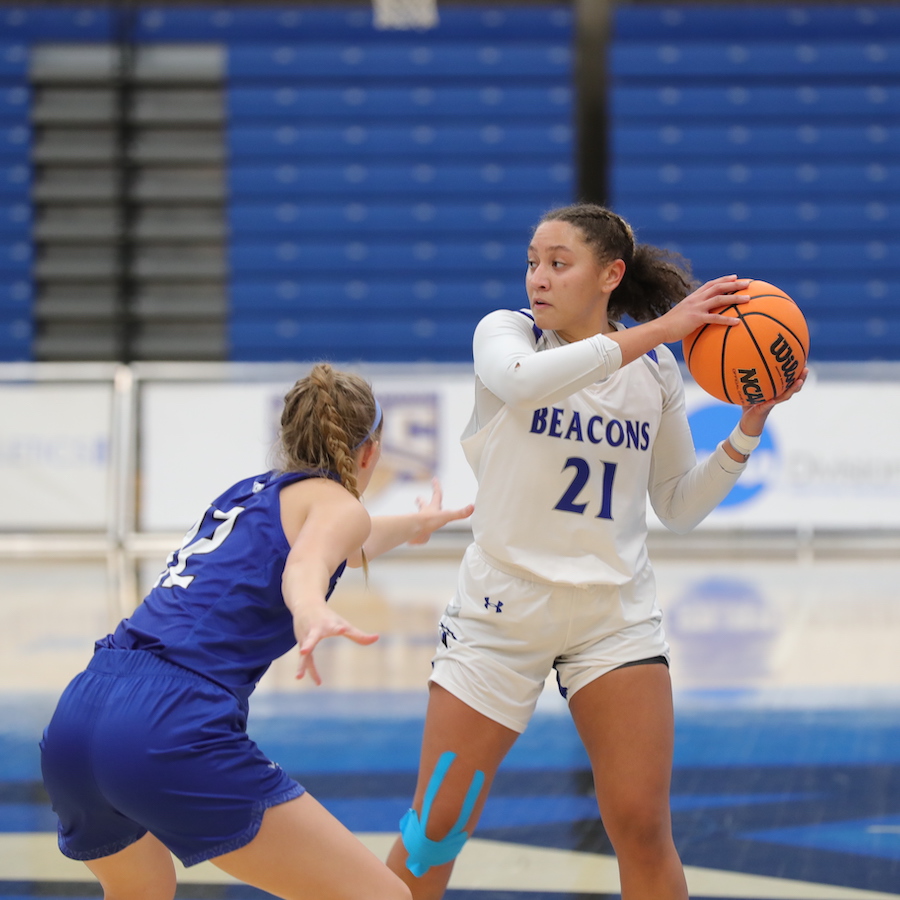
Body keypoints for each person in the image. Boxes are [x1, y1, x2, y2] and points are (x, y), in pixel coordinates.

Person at [385, 203, 808, 900]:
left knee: (643, 827)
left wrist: (748, 428)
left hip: (613, 618)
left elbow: (678, 507)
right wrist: (663, 329)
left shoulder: (657, 373)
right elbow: (522, 381)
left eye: (559, 263)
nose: (538, 278)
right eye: (532, 262)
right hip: (500, 616)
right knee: (438, 826)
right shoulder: (506, 335)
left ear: (610, 275)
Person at [40, 363, 473, 900]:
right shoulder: (338, 505)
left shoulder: (247, 495)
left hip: (79, 715)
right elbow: (308, 563)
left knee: (142, 890)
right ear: (370, 452)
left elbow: (334, 542)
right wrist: (310, 609)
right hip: (165, 723)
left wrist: (413, 525)